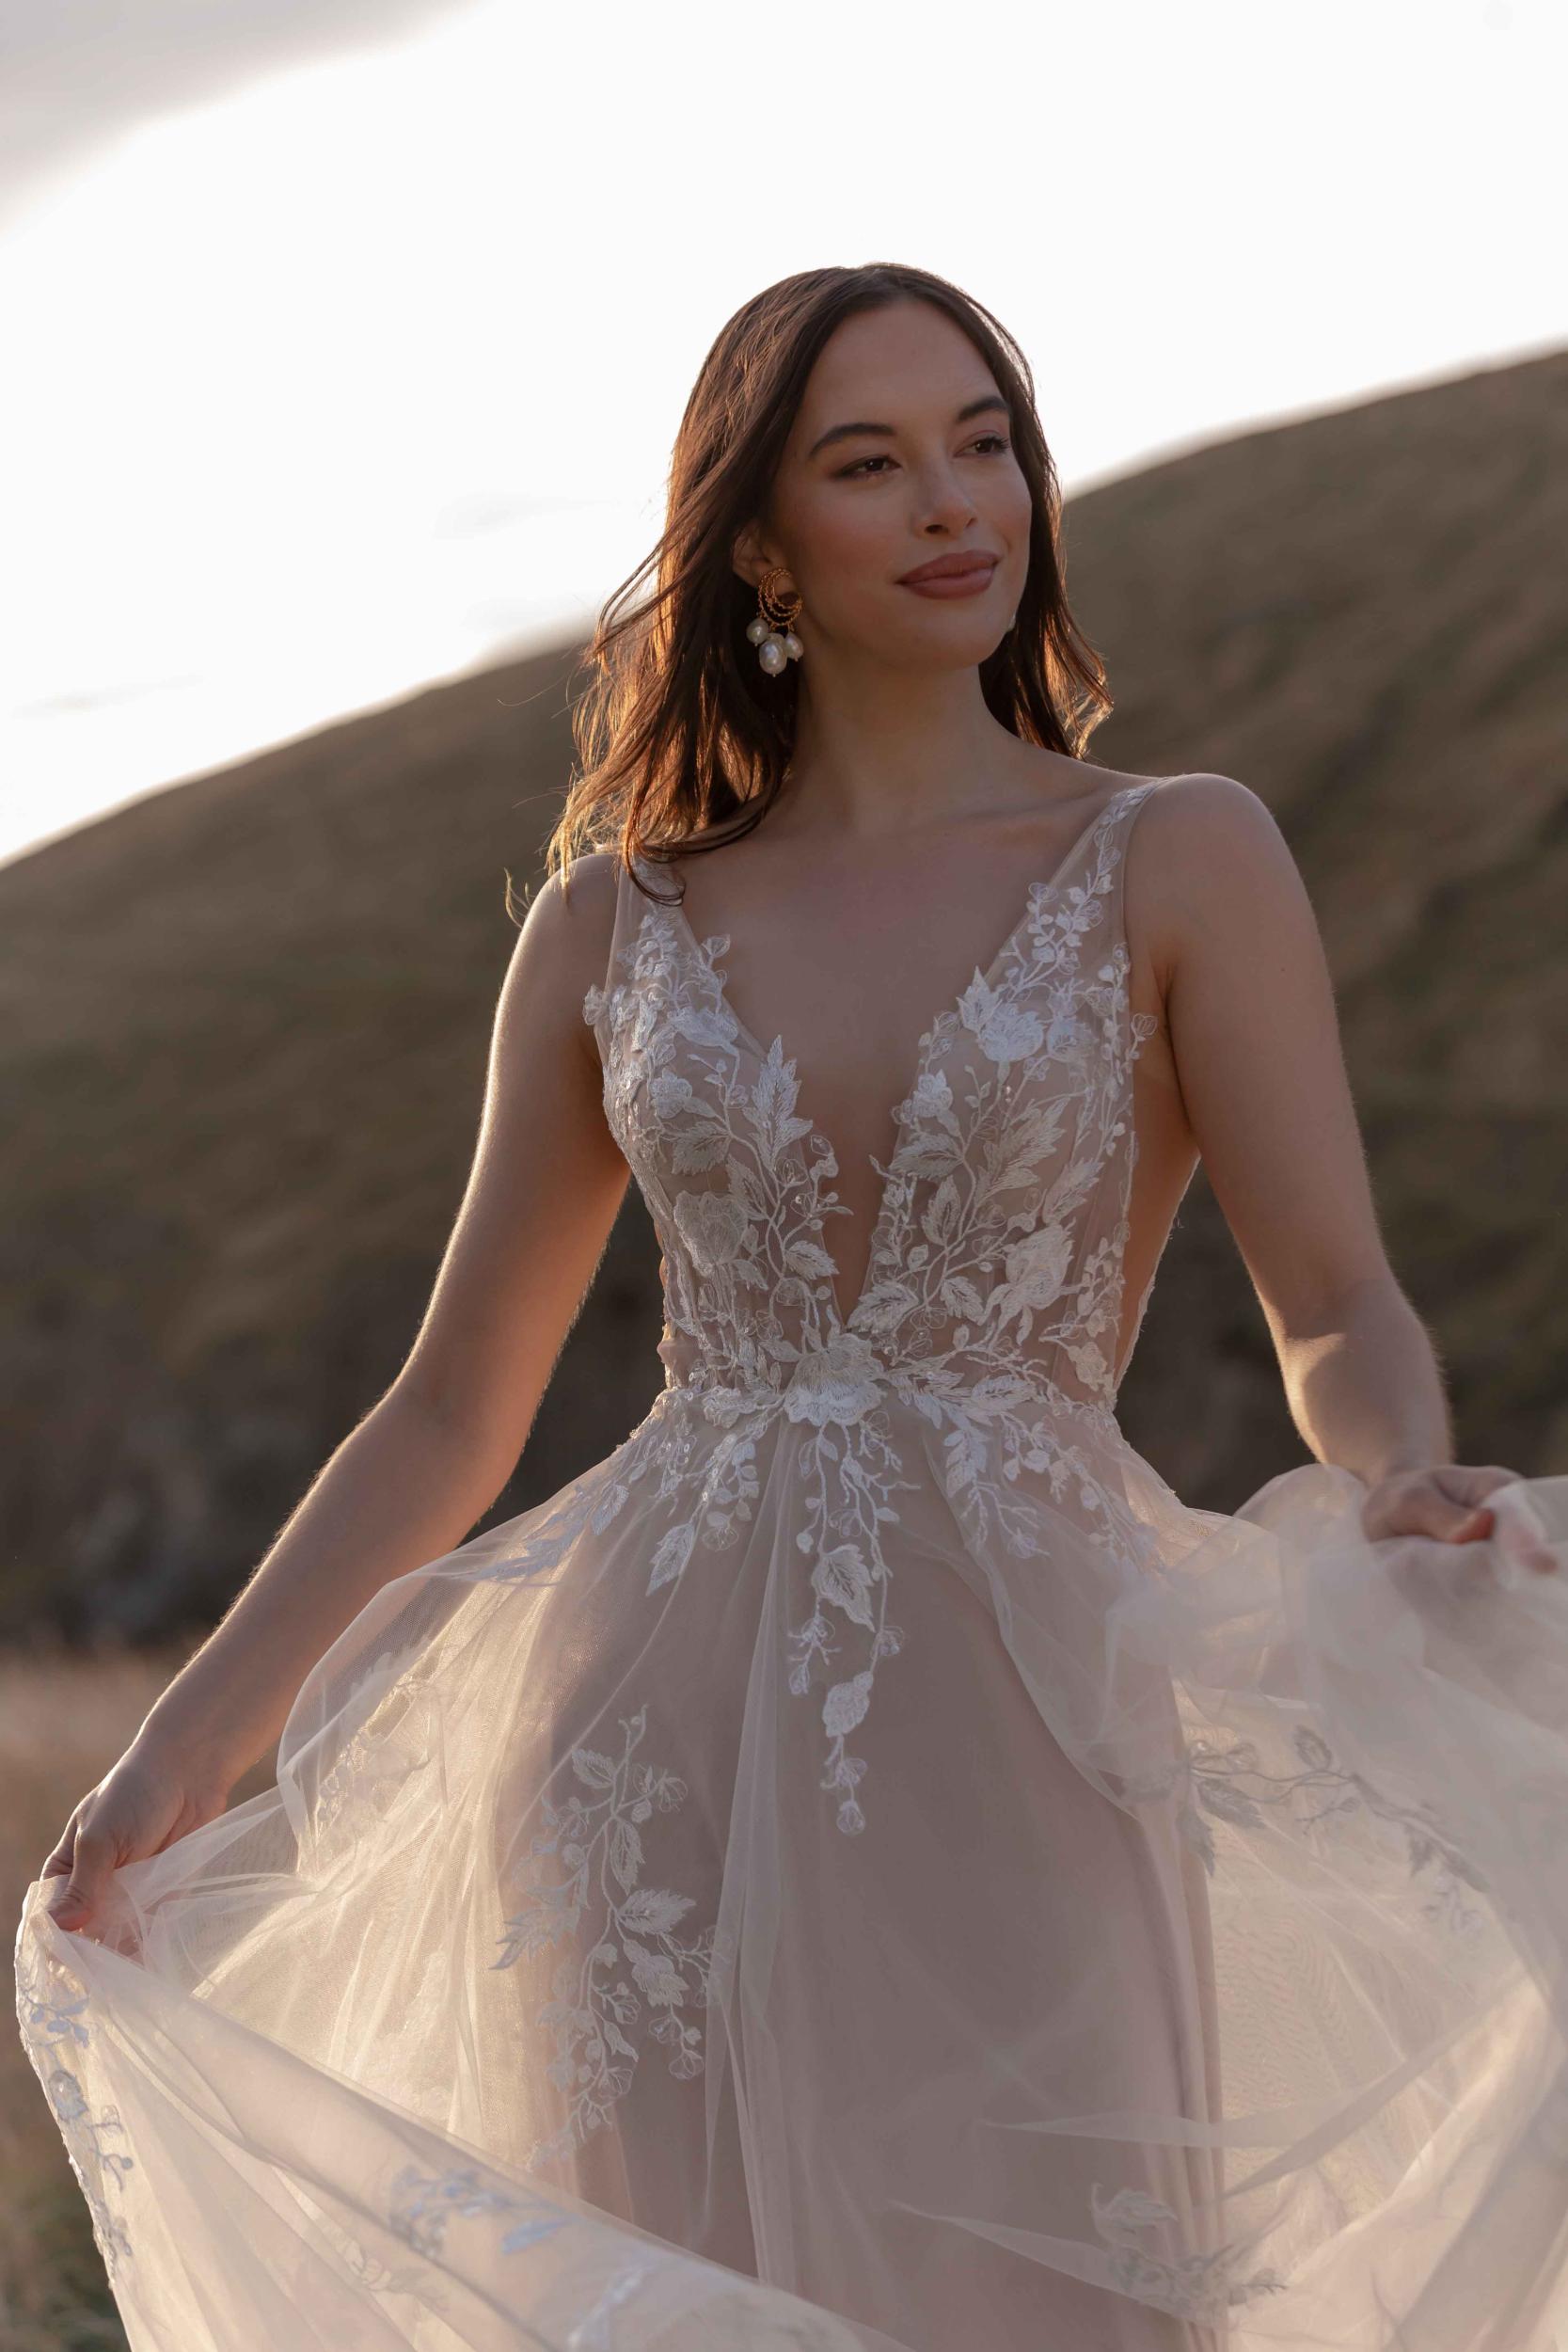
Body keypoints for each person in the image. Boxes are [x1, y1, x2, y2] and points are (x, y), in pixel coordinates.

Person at [17, 262, 1568, 2352]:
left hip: (1027, 1706)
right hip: (638, 1742)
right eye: (873, 461)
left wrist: (1395, 1472)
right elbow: (452, 1402)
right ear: (762, 542)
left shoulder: (1179, 857)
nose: (956, 504)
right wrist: (176, 1756)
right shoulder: (609, 924)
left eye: (985, 441)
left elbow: (1336, 1298)